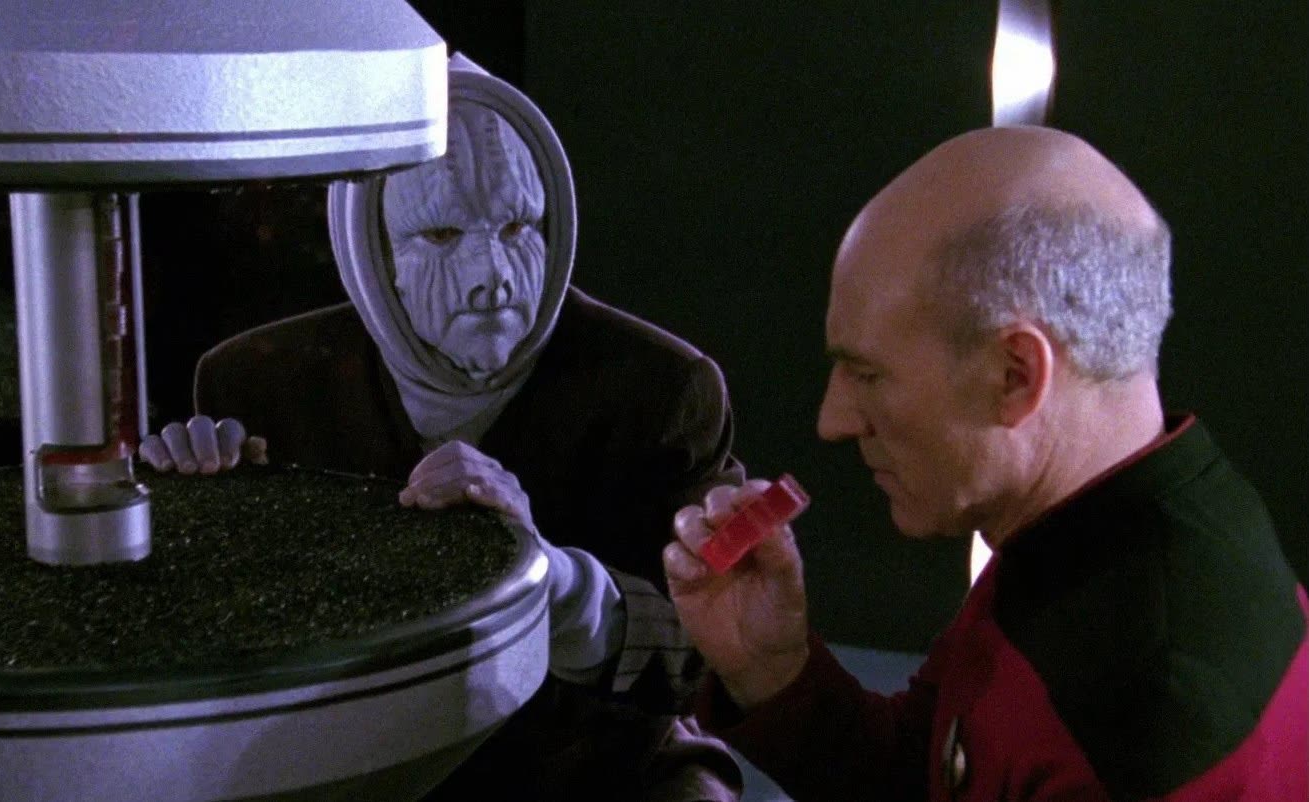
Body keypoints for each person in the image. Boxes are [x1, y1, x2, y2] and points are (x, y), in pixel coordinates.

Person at [141, 55, 743, 802]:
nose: (493, 276)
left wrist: (555, 584)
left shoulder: (659, 388)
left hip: (581, 777)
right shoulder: (259, 383)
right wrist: (190, 518)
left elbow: (701, 656)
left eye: (518, 226)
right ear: (370, 251)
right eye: (440, 233)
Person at [663, 126, 1307, 801]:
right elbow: (927, 775)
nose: (834, 421)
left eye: (868, 374)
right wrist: (772, 671)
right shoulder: (1091, 524)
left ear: (1014, 375)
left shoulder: (1149, 726)